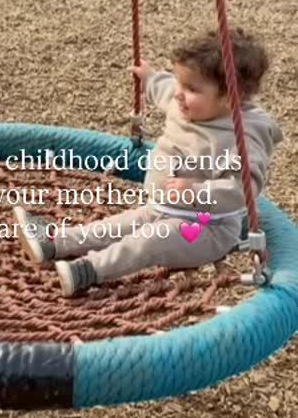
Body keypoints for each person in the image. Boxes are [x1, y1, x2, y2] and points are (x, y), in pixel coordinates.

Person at [14, 28, 283, 296]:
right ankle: (53, 242)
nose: (178, 94)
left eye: (191, 88)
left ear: (230, 97)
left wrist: (197, 191)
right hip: (161, 208)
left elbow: (244, 189)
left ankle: (89, 270)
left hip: (208, 228)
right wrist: (150, 78)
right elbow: (164, 90)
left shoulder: (242, 135)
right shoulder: (186, 105)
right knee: (111, 227)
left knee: (148, 241)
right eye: (180, 83)